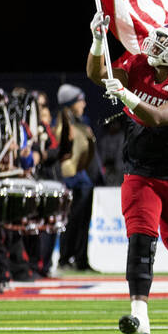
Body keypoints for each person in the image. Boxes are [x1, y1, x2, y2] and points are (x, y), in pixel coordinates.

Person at [86, 13, 168, 334]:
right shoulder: (138, 63)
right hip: (140, 170)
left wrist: (125, 95)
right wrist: (99, 40)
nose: (156, 43)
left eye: (166, 42)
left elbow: (159, 117)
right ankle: (140, 314)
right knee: (140, 239)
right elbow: (98, 73)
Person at [54, 84, 96, 272]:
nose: (84, 104)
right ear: (71, 103)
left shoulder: (81, 122)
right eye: (80, 101)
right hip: (70, 180)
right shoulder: (63, 123)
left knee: (82, 222)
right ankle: (65, 259)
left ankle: (81, 259)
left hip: (83, 179)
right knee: (70, 221)